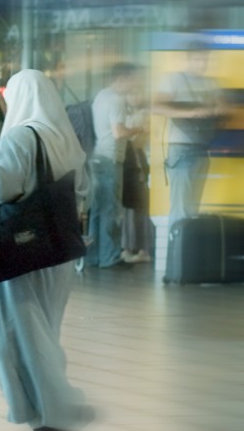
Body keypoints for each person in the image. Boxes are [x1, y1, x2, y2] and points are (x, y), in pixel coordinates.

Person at [0, 70, 91, 431]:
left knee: (22, 337)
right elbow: (81, 191)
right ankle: (52, 415)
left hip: (21, 253)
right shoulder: (64, 135)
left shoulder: (21, 136)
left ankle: (54, 419)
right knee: (43, 332)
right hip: (56, 252)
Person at [153, 44, 227, 225]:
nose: (202, 64)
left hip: (202, 149)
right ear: (188, 59)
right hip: (181, 149)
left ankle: (187, 250)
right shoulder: (174, 80)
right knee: (180, 209)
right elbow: (157, 106)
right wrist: (191, 113)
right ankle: (177, 252)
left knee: (193, 210)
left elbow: (222, 108)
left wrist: (216, 110)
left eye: (205, 59)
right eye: (197, 59)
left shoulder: (211, 83)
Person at [86, 63, 144, 269]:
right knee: (110, 209)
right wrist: (139, 128)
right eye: (133, 79)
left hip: (97, 157)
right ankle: (110, 257)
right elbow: (118, 132)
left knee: (97, 210)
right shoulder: (117, 100)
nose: (136, 83)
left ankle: (93, 257)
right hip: (111, 158)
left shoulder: (101, 96)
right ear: (122, 79)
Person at [120, 87, 153, 264]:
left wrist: (130, 131)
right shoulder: (125, 112)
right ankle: (130, 247)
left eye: (137, 91)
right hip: (130, 162)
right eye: (131, 92)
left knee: (138, 206)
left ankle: (141, 248)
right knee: (129, 208)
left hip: (139, 163)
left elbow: (138, 139)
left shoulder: (146, 114)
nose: (134, 96)